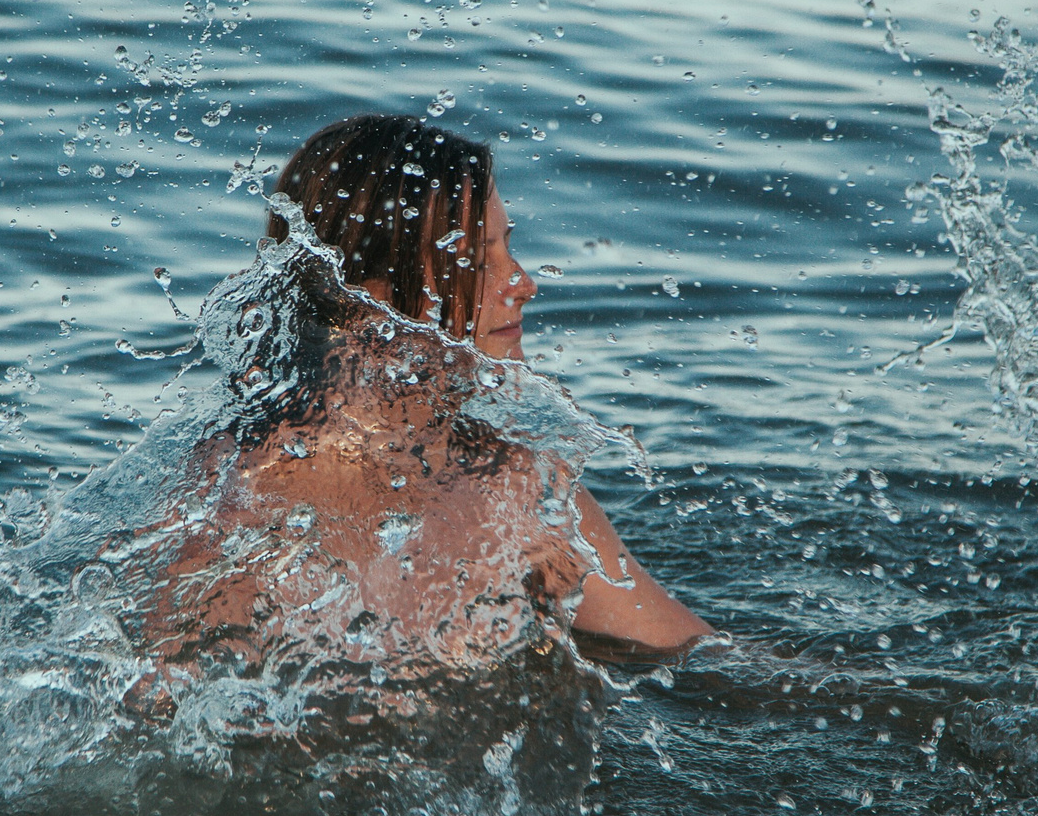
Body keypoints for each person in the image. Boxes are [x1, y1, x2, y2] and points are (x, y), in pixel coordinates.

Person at [257, 113, 710, 666]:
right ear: (362, 296)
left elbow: (695, 656)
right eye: (476, 259)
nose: (524, 283)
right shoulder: (237, 508)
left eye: (507, 249)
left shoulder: (518, 491)